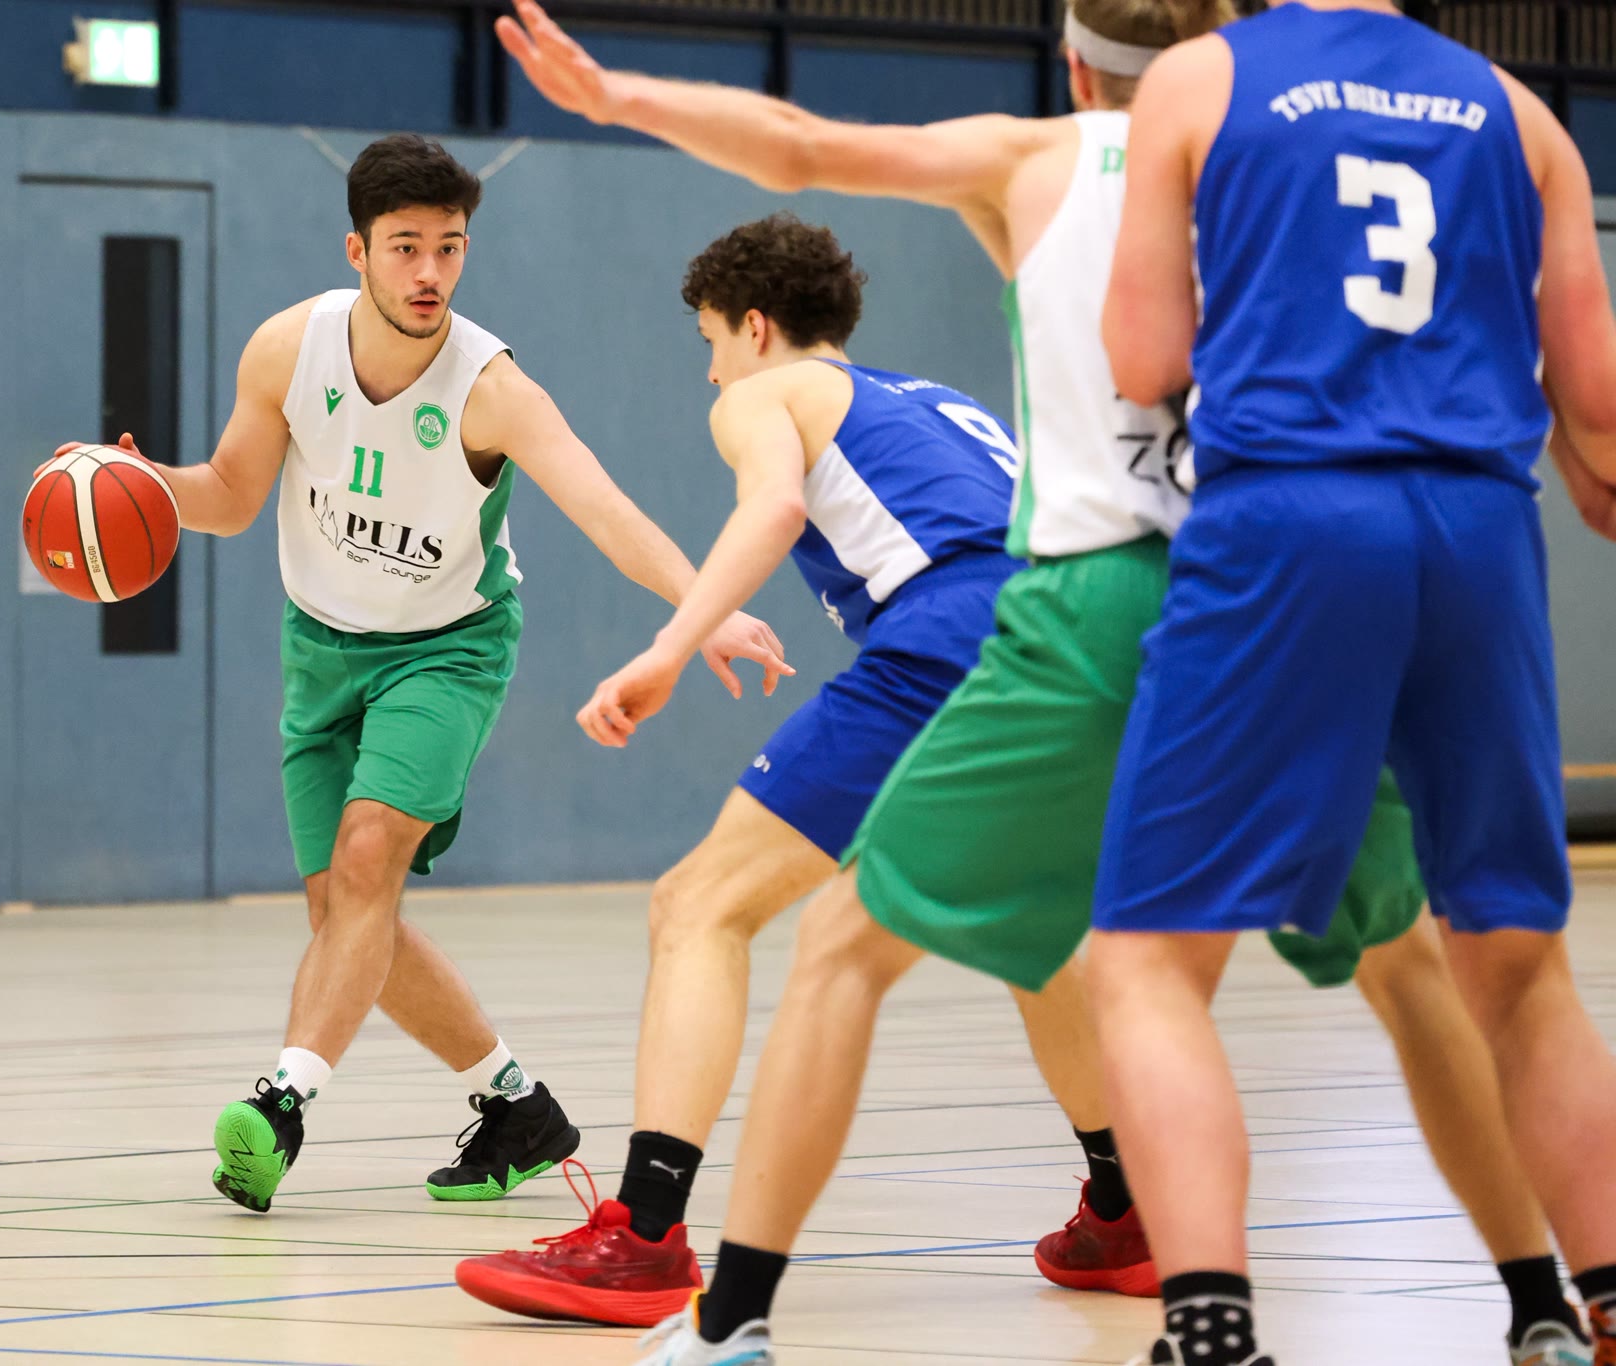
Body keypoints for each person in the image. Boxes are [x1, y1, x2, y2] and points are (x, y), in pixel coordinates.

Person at [491, 3, 1593, 1365]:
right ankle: (1534, 1299)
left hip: (1068, 603)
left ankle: (707, 1287)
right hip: (1273, 588)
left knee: (833, 938)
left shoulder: (1024, 172)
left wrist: (620, 98)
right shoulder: (1291, 160)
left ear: (1074, 63)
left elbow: (798, 145)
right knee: (1383, 963)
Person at [59, 134, 791, 1215]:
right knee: (343, 913)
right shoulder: (286, 351)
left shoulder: (492, 390)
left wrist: (706, 609)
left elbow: (604, 509)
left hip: (447, 649)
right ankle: (516, 1105)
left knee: (368, 862)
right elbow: (230, 493)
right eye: (404, 247)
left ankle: (280, 1103)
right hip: (320, 647)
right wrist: (143, 483)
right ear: (356, 250)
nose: (429, 273)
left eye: (449, 247)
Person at [1095, 0, 1616, 1361]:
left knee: (1147, 958)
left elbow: (1143, 360)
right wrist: (1576, 455)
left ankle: (1211, 1330)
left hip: (1292, 514)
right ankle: (1608, 1297)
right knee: (1517, 963)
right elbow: (1600, 406)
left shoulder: (1201, 79)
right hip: (1478, 532)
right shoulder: (1521, 113)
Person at [457, 211, 1026, 1326]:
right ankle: (1122, 1210)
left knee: (697, 905)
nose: (711, 370)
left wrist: (669, 647)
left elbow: (772, 506)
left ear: (754, 327)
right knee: (1039, 938)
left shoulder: (767, 394)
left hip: (951, 640)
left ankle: (642, 1235)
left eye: (711, 340)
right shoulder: (940, 403)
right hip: (1081, 645)